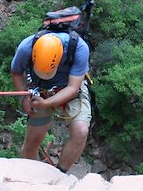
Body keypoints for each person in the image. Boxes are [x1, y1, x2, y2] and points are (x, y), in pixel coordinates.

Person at [9, 29, 91, 172]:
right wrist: (23, 98)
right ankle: (28, 177)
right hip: (39, 89)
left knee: (81, 131)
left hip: (69, 88)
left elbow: (72, 88)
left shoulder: (79, 48)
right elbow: (17, 72)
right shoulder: (26, 47)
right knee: (32, 143)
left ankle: (60, 174)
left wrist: (46, 103)